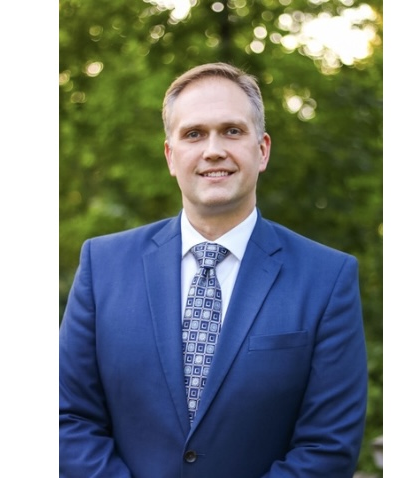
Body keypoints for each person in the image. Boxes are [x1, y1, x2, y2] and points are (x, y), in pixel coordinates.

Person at [59, 62, 368, 477]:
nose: (213, 150)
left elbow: (327, 446)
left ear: (262, 150)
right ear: (170, 156)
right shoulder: (103, 266)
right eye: (193, 134)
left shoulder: (327, 279)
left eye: (232, 131)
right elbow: (67, 417)